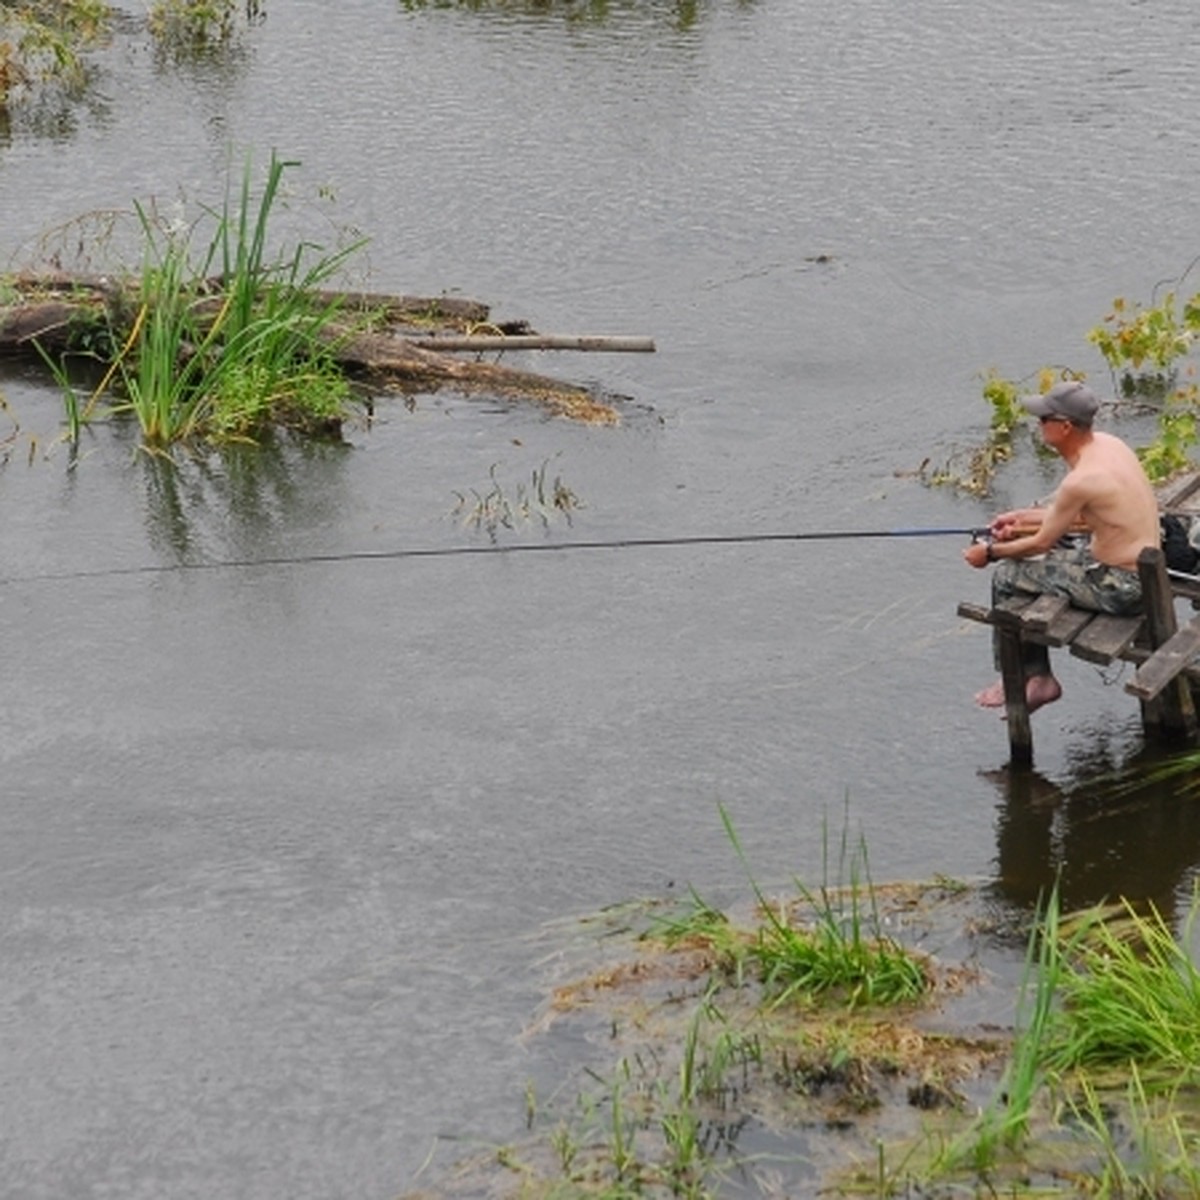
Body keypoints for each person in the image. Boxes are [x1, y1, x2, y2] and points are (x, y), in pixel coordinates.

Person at [963, 379, 1160, 712]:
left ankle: (1034, 678)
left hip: (1120, 588)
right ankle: (1034, 675)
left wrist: (990, 553)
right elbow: (1073, 513)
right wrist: (1016, 516)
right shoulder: (1110, 446)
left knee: (1007, 576)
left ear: (1065, 426)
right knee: (1039, 559)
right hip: (1140, 572)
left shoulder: (1081, 479)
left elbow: (1043, 540)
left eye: (1043, 420)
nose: (1038, 426)